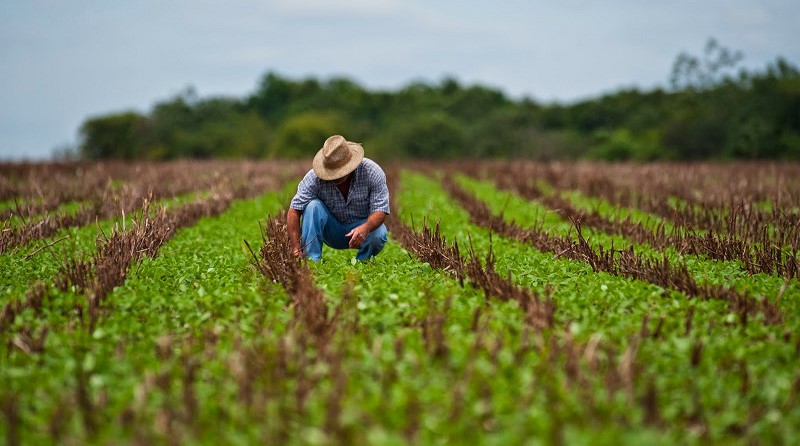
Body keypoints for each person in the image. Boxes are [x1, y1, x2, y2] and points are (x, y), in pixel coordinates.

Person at [287, 134, 390, 261]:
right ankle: (311, 261)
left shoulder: (372, 172)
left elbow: (380, 210)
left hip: (362, 227)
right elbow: (294, 210)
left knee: (379, 233)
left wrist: (365, 227)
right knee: (313, 206)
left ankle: (363, 263)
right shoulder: (314, 178)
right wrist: (296, 247)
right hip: (332, 230)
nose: (335, 177)